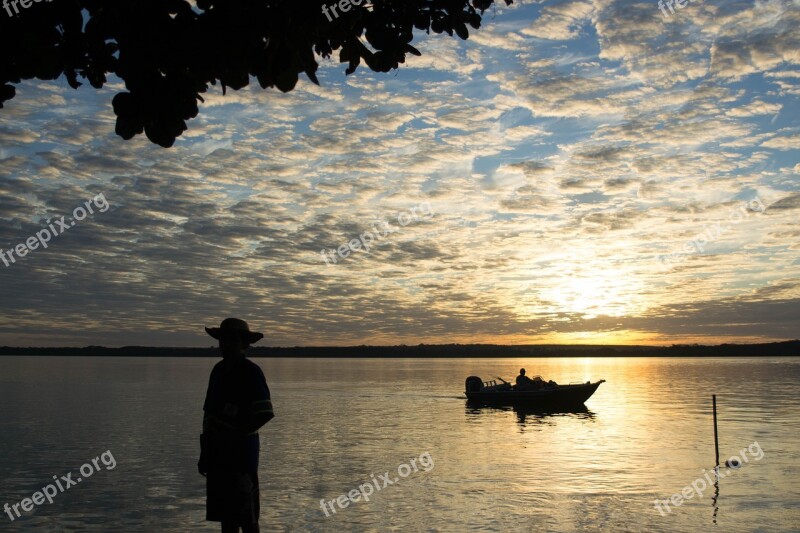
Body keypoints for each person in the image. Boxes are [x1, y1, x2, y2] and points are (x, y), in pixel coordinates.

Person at [199, 318, 274, 533]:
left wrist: (235, 434)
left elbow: (265, 413)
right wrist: (205, 454)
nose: (225, 344)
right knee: (226, 518)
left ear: (243, 344)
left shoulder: (250, 372)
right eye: (223, 339)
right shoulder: (218, 371)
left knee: (247, 517)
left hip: (242, 459)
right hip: (217, 457)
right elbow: (208, 414)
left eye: (232, 340)